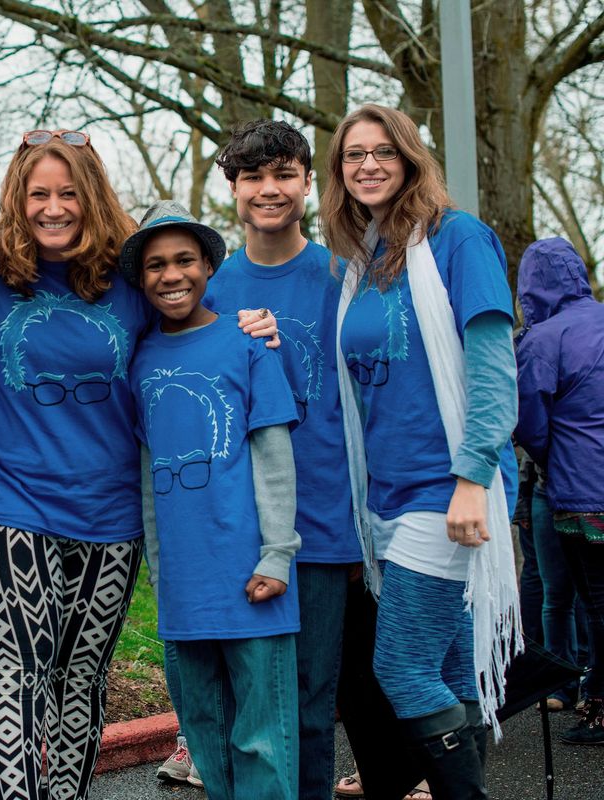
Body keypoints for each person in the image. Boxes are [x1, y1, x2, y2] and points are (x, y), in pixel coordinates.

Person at [0, 131, 279, 800]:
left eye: (68, 192)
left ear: (92, 197)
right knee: (17, 672)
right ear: (18, 200)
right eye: (38, 193)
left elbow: (196, 305)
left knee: (80, 678)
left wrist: (254, 321)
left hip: (110, 518)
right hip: (10, 507)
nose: (54, 207)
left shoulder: (132, 283)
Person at [320, 104, 521, 799]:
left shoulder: (458, 239)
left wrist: (473, 477)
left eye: (383, 151)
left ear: (410, 159)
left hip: (448, 487)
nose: (367, 164)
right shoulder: (363, 262)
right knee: (454, 669)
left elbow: (494, 367)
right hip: (387, 493)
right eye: (353, 155)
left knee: (401, 665)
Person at [193, 119, 361, 800]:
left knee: (312, 702)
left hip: (325, 522)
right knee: (245, 703)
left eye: (284, 174)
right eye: (253, 176)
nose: (270, 189)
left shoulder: (343, 276)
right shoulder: (209, 289)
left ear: (306, 182)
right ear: (232, 187)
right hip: (238, 527)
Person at [121, 201, 302, 800]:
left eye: (184, 261)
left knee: (262, 737)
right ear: (140, 277)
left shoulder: (246, 345)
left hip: (252, 571)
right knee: (204, 734)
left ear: (207, 267)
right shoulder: (140, 360)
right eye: (155, 266)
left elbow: (273, 455)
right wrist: (158, 560)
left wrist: (277, 554)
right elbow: (148, 469)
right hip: (183, 579)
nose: (171, 275)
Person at [513, 237, 604, 745]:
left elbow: (529, 425)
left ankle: (600, 708)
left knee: (597, 603)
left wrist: (551, 460)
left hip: (583, 495)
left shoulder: (543, 339)